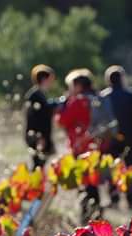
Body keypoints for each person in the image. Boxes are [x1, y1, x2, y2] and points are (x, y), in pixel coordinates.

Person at [56, 68, 101, 219]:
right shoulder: (96, 99)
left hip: (80, 147)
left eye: (71, 86)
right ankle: (96, 213)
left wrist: (62, 107)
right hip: (97, 146)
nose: (70, 89)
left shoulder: (77, 101)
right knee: (93, 181)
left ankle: (87, 215)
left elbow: (62, 121)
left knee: (84, 181)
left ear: (78, 86)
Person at [99, 65, 132, 208]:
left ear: (108, 80)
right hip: (130, 137)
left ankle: (114, 198)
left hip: (111, 138)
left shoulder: (104, 96)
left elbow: (99, 119)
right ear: (122, 78)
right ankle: (131, 200)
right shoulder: (130, 95)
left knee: (112, 168)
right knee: (131, 167)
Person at [23, 64, 57, 170]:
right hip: (38, 136)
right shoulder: (35, 96)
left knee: (40, 165)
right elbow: (34, 118)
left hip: (40, 135)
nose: (52, 82)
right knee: (38, 166)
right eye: (50, 79)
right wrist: (39, 137)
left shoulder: (39, 94)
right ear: (44, 79)